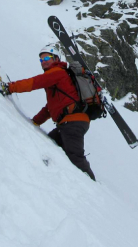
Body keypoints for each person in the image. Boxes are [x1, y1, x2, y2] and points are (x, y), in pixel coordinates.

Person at [5, 44, 96, 181]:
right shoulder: (60, 76)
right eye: (41, 59)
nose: (44, 61)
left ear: (56, 58)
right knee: (51, 144)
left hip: (72, 122)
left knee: (75, 157)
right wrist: (35, 121)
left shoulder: (57, 72)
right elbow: (51, 107)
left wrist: (10, 87)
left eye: (47, 57)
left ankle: (93, 186)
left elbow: (34, 82)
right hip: (70, 122)